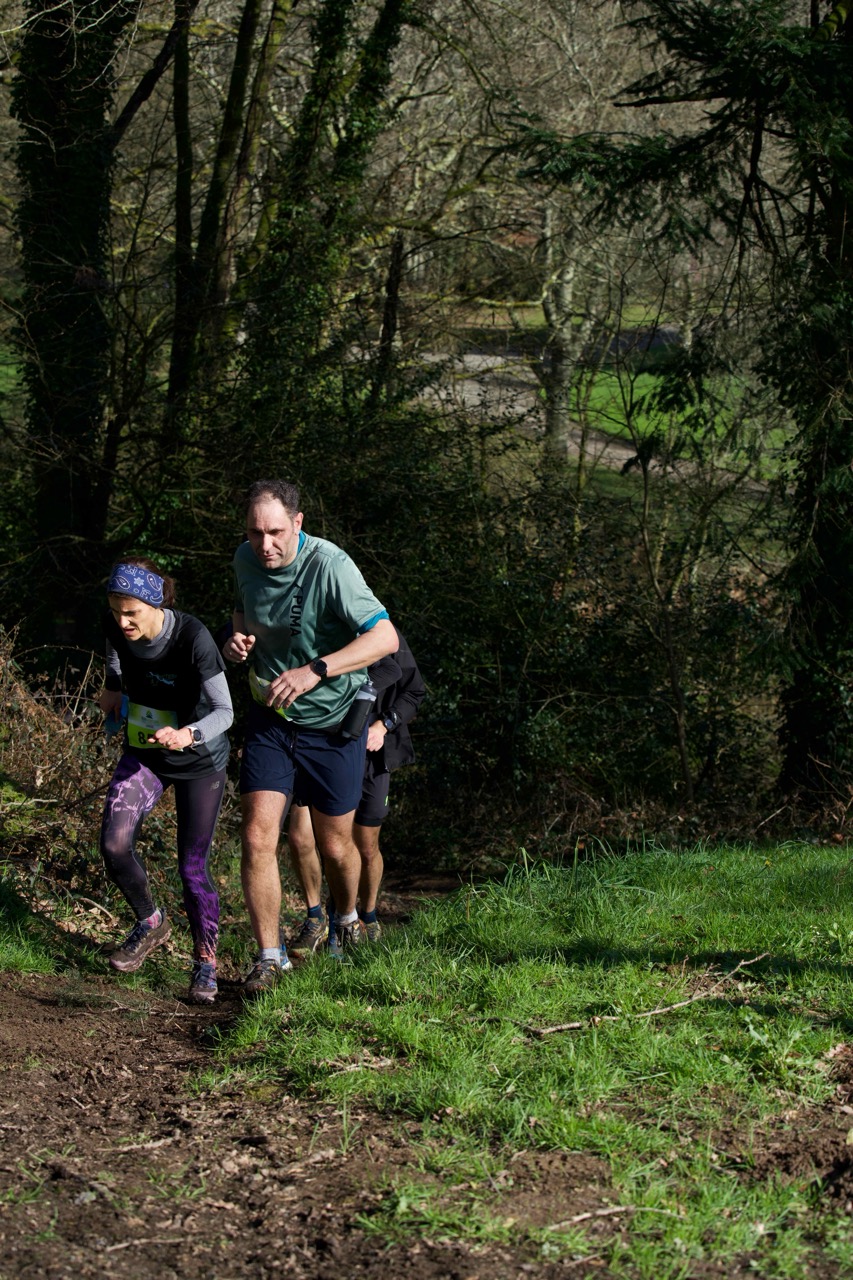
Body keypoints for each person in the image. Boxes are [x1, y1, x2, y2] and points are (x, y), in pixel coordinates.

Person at [223, 479, 398, 991]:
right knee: (257, 834)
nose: (265, 544)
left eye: (276, 532)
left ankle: (346, 918)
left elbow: (385, 637)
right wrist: (238, 640)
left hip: (333, 724)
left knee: (336, 845)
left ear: (298, 523)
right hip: (272, 718)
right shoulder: (244, 559)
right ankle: (269, 957)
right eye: (255, 532)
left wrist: (316, 670)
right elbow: (242, 608)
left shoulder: (331, 565)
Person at [98, 558, 233, 1004]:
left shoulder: (193, 638)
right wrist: (114, 685)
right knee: (114, 844)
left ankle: (205, 964)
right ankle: (150, 921)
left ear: (156, 605)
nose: (123, 621)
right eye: (116, 611)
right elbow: (114, 649)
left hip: (199, 759)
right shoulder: (117, 626)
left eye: (132, 612)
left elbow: (225, 713)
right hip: (146, 752)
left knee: (192, 869)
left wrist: (188, 734)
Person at [287, 632, 425, 954]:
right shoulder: (312, 626)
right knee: (302, 836)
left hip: (371, 752)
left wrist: (383, 726)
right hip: (318, 744)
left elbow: (414, 690)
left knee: (364, 844)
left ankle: (368, 916)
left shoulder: (384, 633)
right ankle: (317, 919)